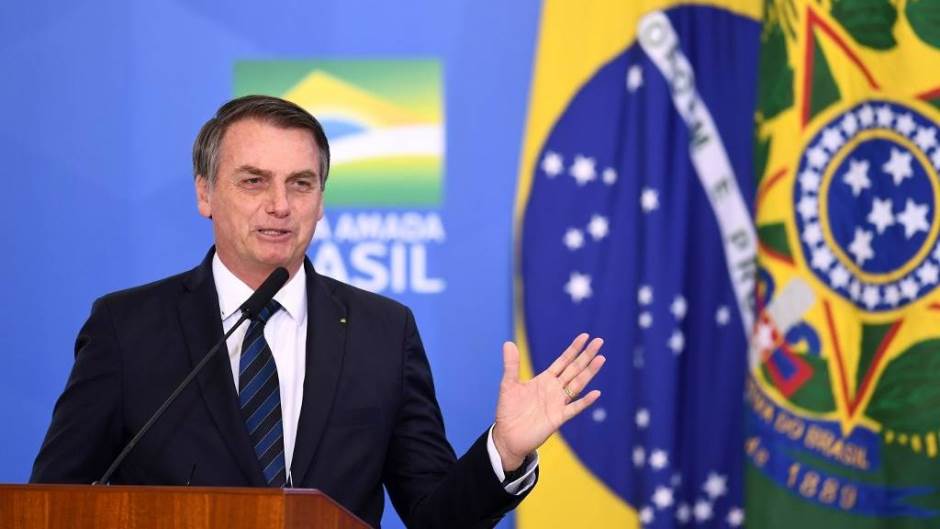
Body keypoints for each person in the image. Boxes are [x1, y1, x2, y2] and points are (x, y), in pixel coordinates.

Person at [30, 95, 606, 528]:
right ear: (205, 193)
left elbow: (436, 516)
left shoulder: (384, 333)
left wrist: (505, 452)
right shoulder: (127, 329)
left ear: (321, 200)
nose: (280, 205)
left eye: (301, 183)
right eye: (254, 181)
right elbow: (51, 506)